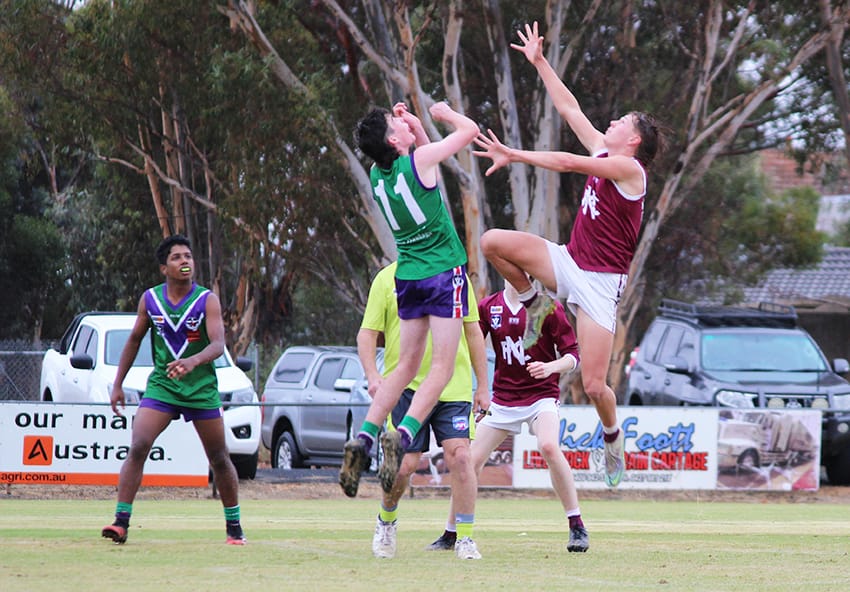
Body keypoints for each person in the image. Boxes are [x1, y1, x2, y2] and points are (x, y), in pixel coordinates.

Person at [472, 21, 663, 488]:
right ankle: (535, 303)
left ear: (634, 140)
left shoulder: (630, 170)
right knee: (492, 241)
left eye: (621, 123)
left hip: (599, 283)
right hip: (568, 262)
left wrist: (515, 154)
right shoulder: (605, 149)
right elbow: (569, 107)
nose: (611, 124)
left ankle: (613, 435)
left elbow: (567, 162)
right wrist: (540, 62)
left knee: (594, 386)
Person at [340, 100, 480, 498]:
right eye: (394, 122)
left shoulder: (377, 175)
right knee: (442, 368)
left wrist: (413, 128)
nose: (400, 122)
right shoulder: (420, 162)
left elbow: (419, 157)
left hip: (408, 277)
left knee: (405, 367)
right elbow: (469, 131)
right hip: (443, 273)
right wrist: (445, 115)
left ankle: (365, 436)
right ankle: (402, 434)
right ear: (392, 140)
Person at [101, 235, 246, 546]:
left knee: (219, 457)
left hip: (200, 388)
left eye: (188, 256)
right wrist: (118, 384)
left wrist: (193, 361)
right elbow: (134, 340)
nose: (185, 261)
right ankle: (120, 522)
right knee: (139, 445)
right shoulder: (150, 300)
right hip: (163, 386)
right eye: (177, 257)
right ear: (164, 268)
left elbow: (218, 345)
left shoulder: (206, 300)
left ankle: (234, 527)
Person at [435, 279, 588, 552]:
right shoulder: (488, 307)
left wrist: (550, 367)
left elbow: (573, 356)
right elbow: (470, 344)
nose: (518, 273)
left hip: (541, 397)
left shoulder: (547, 306)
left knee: (549, 446)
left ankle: (576, 525)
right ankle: (450, 533)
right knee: (468, 461)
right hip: (503, 400)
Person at [359, 261, 489, 560]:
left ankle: (465, 537)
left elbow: (473, 332)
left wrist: (483, 385)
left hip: (453, 386)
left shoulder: (456, 277)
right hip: (406, 387)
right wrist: (372, 375)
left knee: (461, 456)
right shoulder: (387, 279)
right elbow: (367, 334)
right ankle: (386, 521)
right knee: (403, 466)